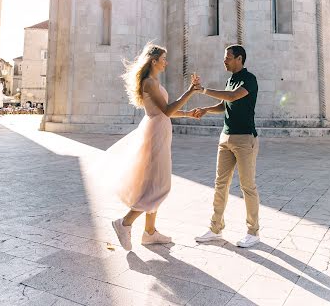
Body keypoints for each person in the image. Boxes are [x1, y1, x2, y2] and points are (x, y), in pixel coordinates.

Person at [110, 42, 199, 251]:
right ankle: (124, 223)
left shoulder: (154, 81)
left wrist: (187, 114)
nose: (166, 63)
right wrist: (190, 92)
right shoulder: (149, 83)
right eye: (163, 59)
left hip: (159, 132)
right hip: (155, 135)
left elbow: (165, 111)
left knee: (154, 183)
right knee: (158, 187)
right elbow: (166, 110)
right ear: (154, 61)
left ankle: (150, 232)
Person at [193, 44, 260, 248]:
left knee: (247, 186)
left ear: (239, 59)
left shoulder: (249, 79)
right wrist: (205, 110)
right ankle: (216, 228)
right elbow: (225, 105)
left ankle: (253, 232)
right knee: (220, 184)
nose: (225, 61)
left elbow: (232, 96)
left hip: (244, 138)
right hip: (226, 138)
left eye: (228, 58)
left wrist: (203, 90)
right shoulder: (230, 79)